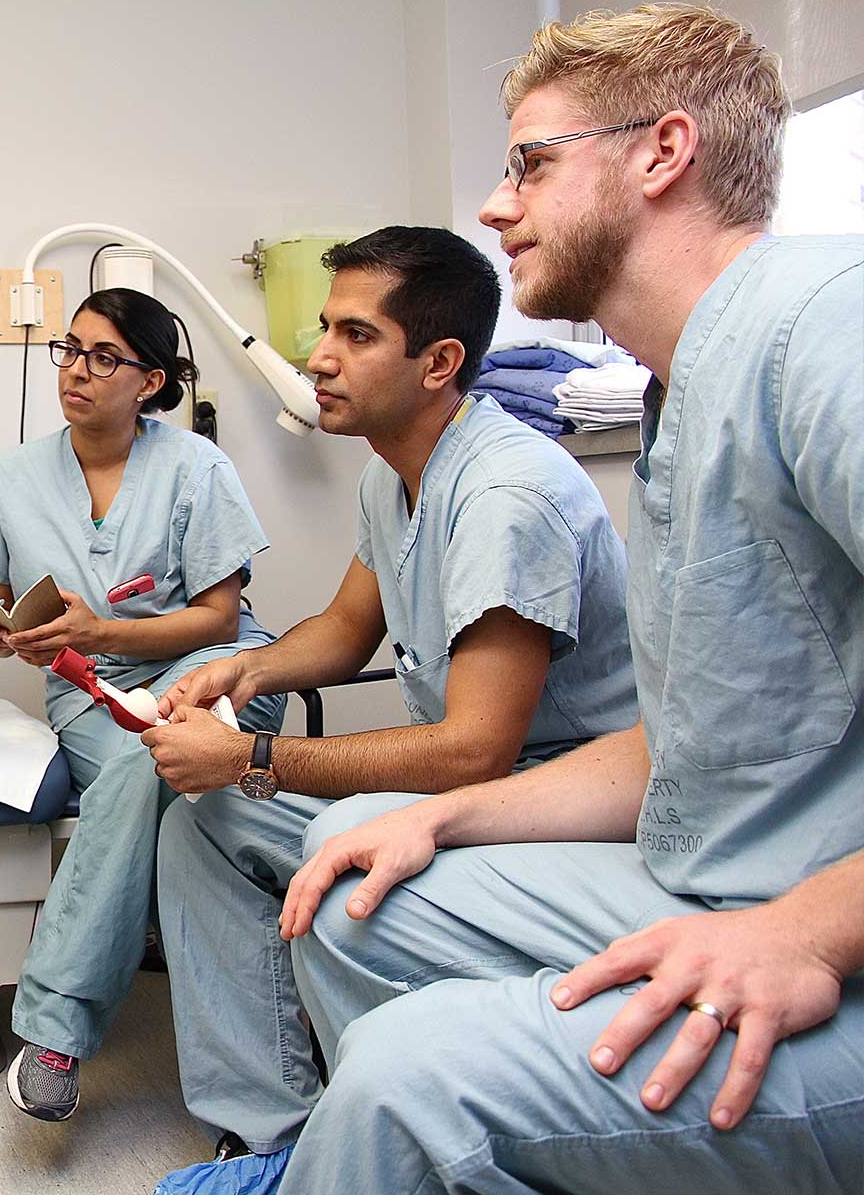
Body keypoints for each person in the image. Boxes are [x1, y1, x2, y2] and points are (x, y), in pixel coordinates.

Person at [273, 5, 864, 1193]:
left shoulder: (821, 324)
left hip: (811, 910)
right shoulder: (677, 391)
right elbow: (696, 743)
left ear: (663, 152)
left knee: (406, 1076)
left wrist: (806, 930)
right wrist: (442, 818)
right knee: (349, 884)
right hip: (711, 866)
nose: (495, 207)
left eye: (530, 164)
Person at [142, 226, 638, 1193]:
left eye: (356, 336)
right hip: (473, 769)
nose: (317, 356)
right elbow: (344, 628)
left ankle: (387, 1137)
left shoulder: (504, 494)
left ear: (438, 363)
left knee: (336, 829)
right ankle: (279, 1138)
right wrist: (239, 675)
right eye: (326, 327)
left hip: (559, 798)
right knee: (203, 823)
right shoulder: (393, 469)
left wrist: (252, 759)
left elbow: (473, 753)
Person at [0, 287, 286, 1122]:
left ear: (151, 381)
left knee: (153, 764)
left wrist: (104, 627)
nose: (77, 371)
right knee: (175, 801)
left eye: (105, 357)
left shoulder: (197, 468)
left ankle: (56, 1027)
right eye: (70, 350)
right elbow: (1, 603)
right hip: (87, 692)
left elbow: (217, 615)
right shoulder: (8, 479)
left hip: (214, 669)